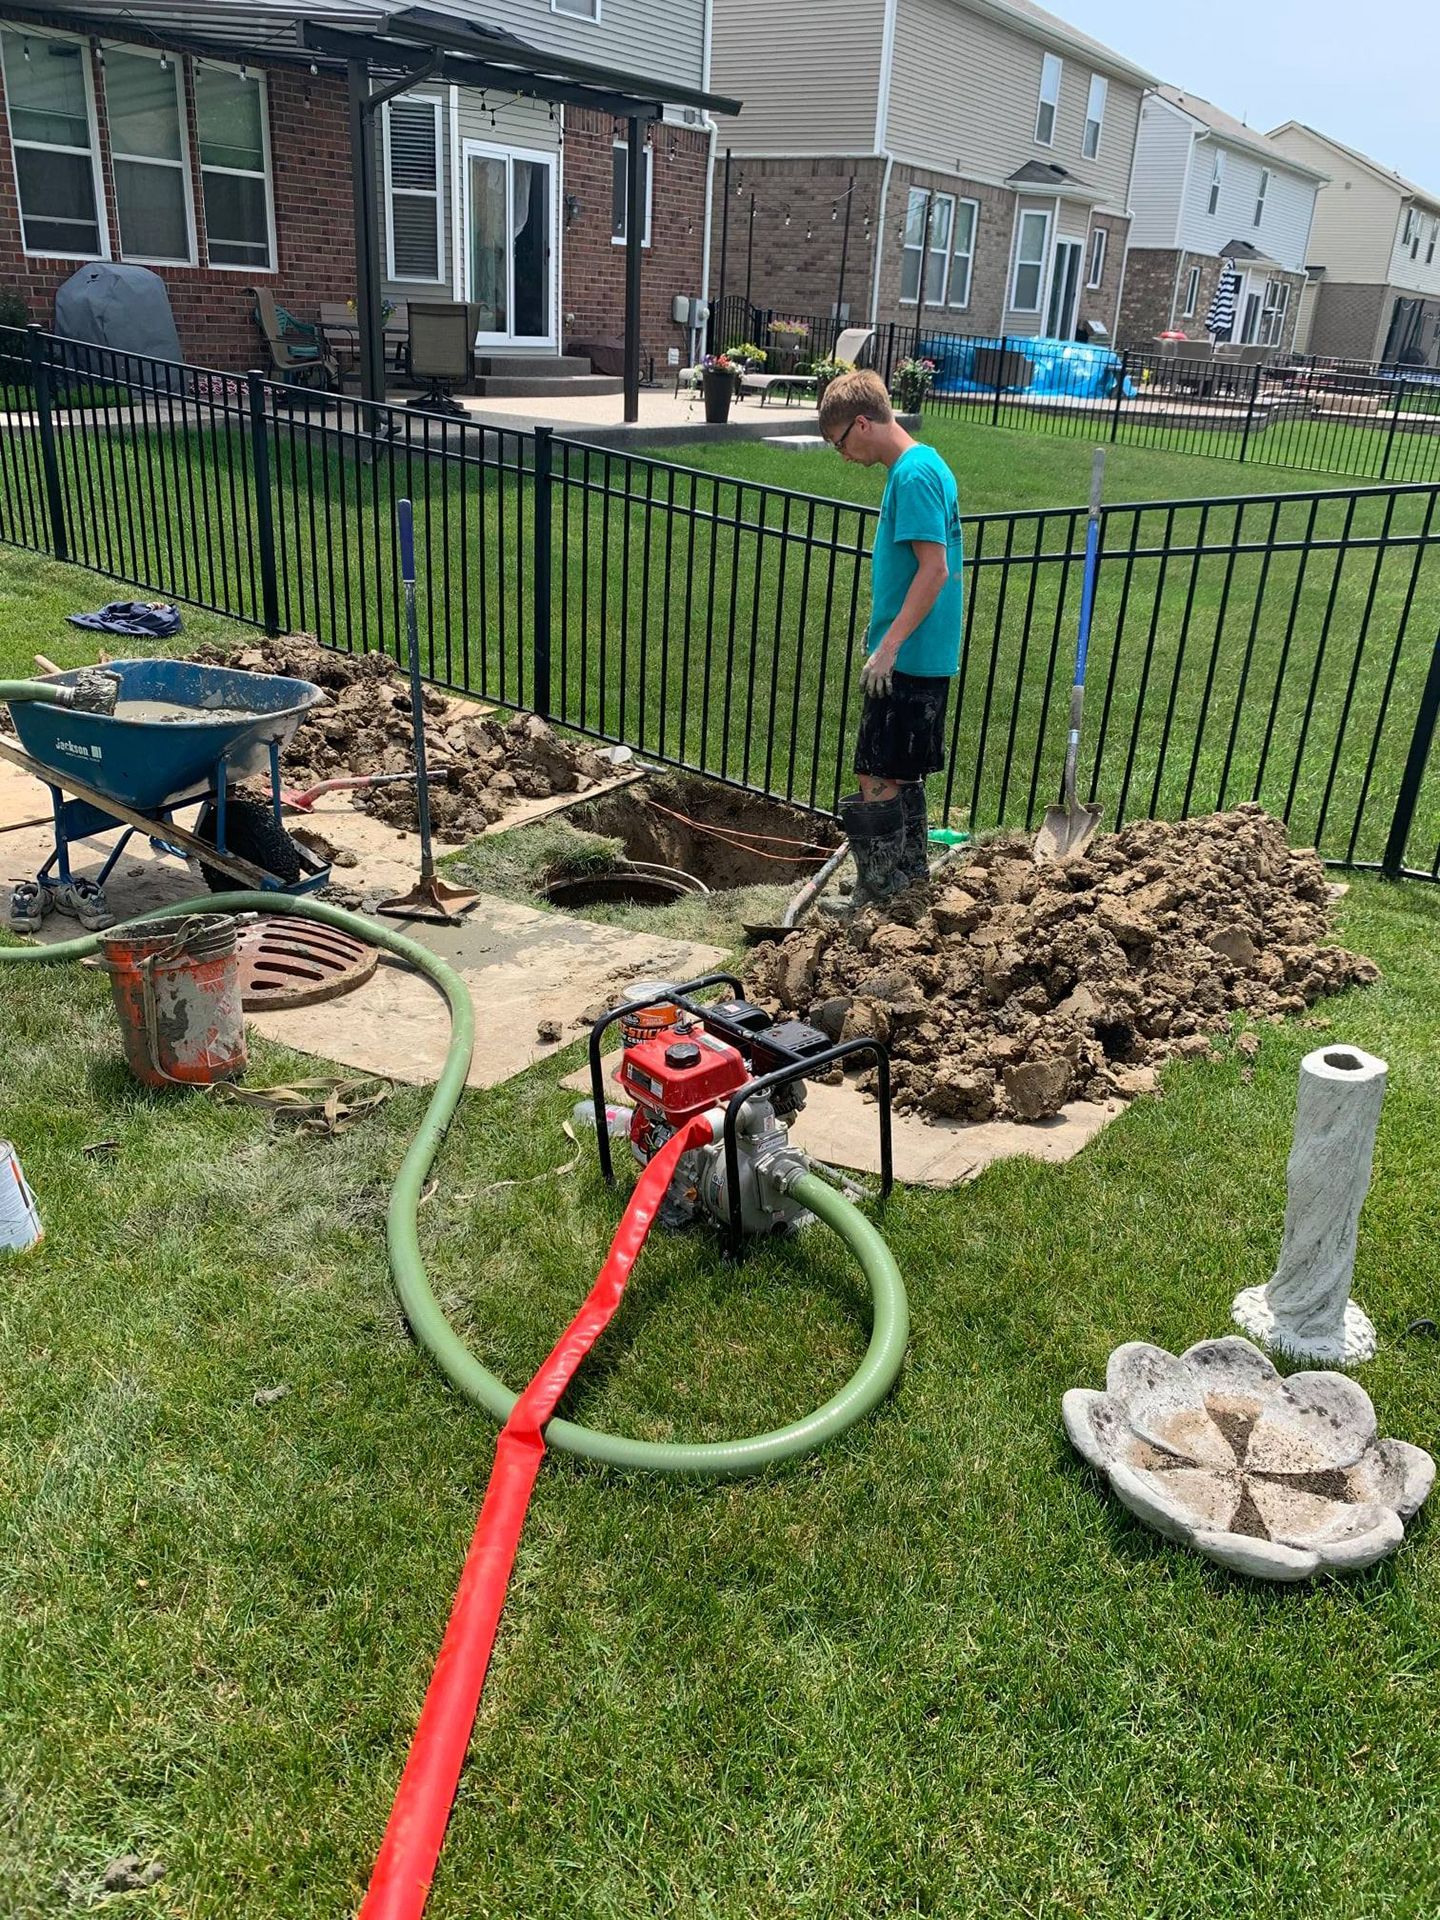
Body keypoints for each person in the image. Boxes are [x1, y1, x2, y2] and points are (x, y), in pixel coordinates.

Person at [817, 369, 964, 907]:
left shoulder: (913, 475)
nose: (843, 455)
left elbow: (934, 570)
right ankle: (909, 884)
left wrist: (889, 646)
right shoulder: (922, 466)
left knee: (875, 770)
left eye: (840, 443)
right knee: (901, 772)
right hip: (920, 649)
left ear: (862, 423)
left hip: (912, 655)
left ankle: (878, 894)